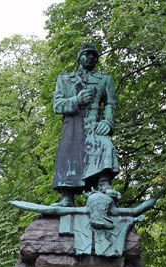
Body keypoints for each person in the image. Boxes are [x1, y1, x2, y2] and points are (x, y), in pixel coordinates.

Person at [52, 43, 120, 207]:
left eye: (94, 55)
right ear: (79, 58)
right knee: (69, 156)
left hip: (94, 123)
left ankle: (104, 184)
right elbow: (57, 105)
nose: (91, 57)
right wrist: (77, 100)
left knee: (105, 145)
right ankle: (67, 197)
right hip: (73, 124)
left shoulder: (105, 79)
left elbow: (110, 104)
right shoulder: (65, 79)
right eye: (87, 54)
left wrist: (107, 122)